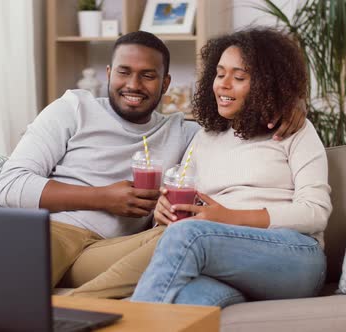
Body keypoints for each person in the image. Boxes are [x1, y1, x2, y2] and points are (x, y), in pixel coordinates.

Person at [0, 30, 307, 297]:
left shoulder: (185, 132)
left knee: (183, 235)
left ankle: (74, 311)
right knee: (6, 298)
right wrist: (104, 197)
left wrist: (291, 103)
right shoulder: (73, 109)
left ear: (166, 82)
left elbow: (240, 118)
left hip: (115, 250)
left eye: (148, 75)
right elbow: (8, 186)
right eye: (124, 71)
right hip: (56, 232)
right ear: (108, 73)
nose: (133, 84)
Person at [131, 27, 332, 307]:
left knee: (187, 235)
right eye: (220, 73)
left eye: (239, 77)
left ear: (265, 83)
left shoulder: (294, 130)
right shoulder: (205, 136)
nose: (223, 84)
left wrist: (229, 217)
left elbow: (315, 212)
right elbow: (183, 206)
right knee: (186, 301)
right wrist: (162, 211)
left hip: (294, 256)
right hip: (227, 261)